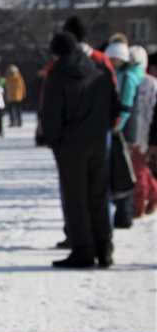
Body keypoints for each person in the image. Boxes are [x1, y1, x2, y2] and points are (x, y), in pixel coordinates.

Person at [40, 32, 117, 268]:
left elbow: (50, 115)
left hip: (71, 146)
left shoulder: (58, 76)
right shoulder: (98, 72)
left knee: (75, 199)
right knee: (98, 196)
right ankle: (104, 248)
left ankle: (83, 250)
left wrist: (54, 142)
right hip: (97, 142)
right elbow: (114, 106)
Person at [106, 36, 144, 229]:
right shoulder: (121, 73)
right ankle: (123, 213)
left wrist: (116, 127)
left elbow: (126, 107)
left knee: (124, 174)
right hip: (120, 129)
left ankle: (125, 214)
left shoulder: (127, 77)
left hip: (125, 131)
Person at [126, 45, 156, 217]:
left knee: (139, 170)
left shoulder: (150, 83)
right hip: (134, 133)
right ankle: (152, 194)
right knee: (141, 169)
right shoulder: (129, 79)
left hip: (142, 135)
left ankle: (140, 202)